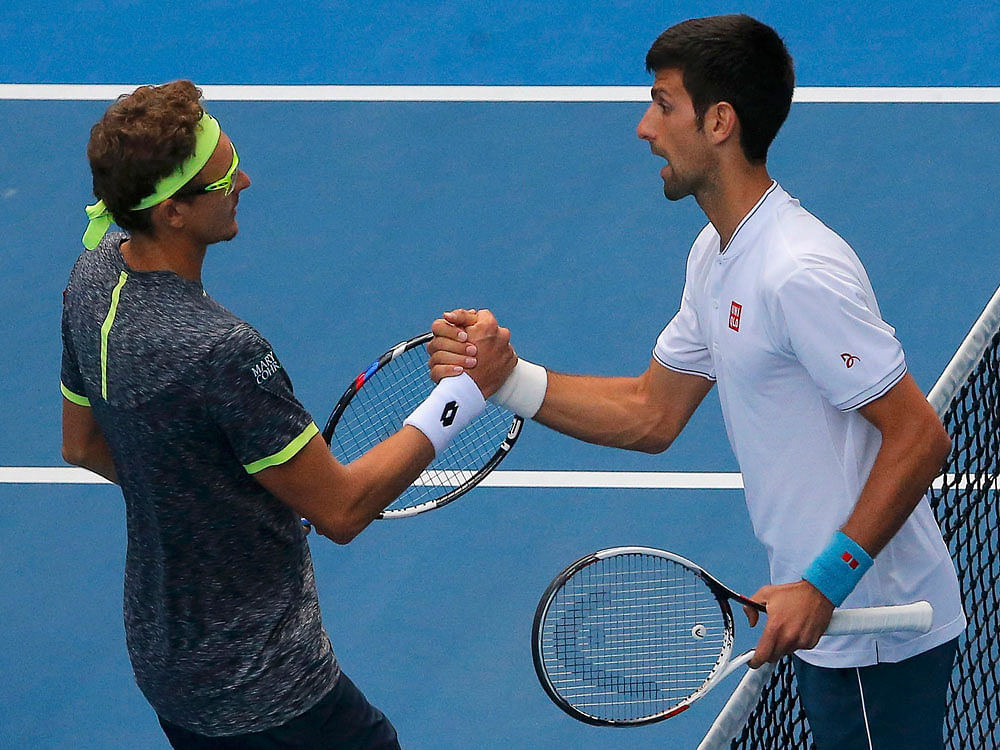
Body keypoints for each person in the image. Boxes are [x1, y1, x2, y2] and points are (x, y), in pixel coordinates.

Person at [429, 15, 965, 750]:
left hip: (872, 635)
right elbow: (653, 412)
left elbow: (919, 436)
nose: (645, 127)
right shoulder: (717, 255)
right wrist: (507, 379)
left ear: (719, 122)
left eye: (663, 103)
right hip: (827, 624)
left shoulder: (796, 270)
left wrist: (825, 583)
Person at [60, 80, 513, 749]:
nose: (245, 179)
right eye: (221, 181)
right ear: (173, 213)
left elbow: (84, 444)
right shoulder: (222, 351)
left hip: (168, 666)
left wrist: (219, 508)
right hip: (269, 693)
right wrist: (464, 396)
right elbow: (342, 509)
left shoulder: (92, 279)